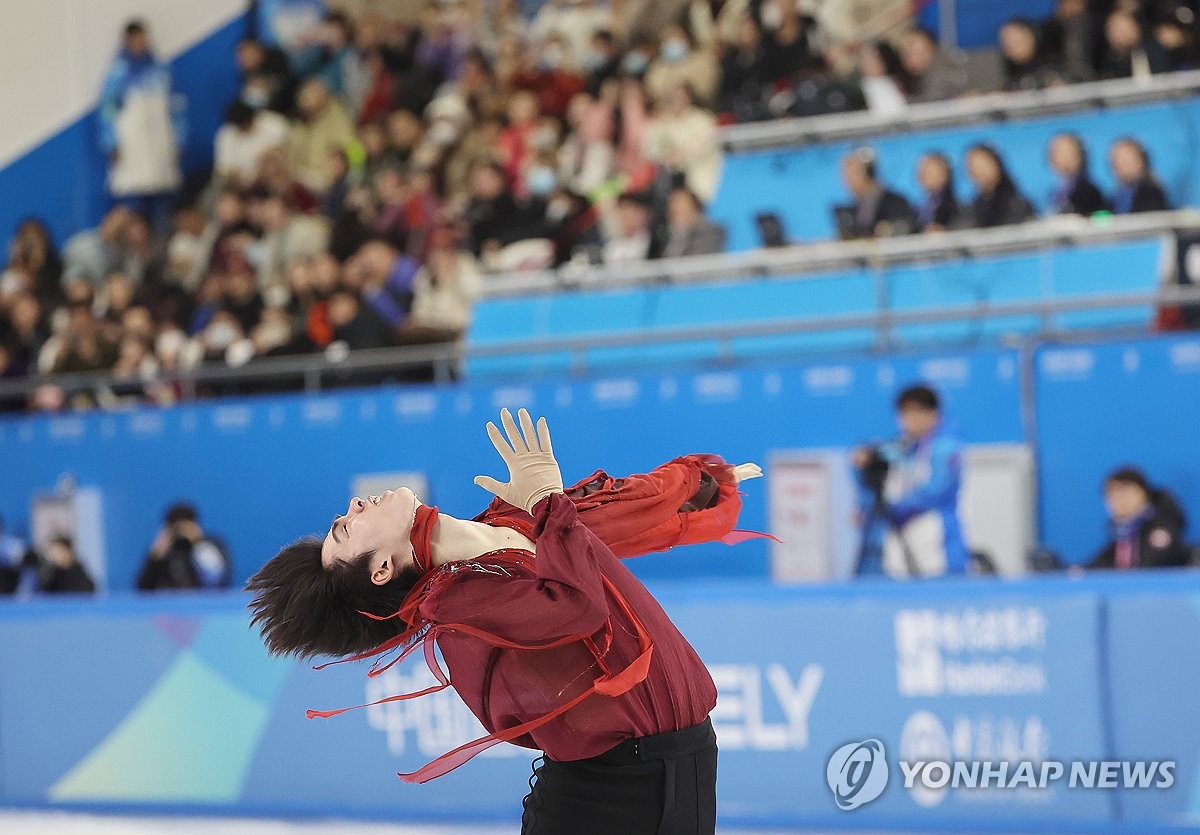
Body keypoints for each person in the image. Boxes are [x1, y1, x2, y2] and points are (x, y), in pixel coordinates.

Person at [247, 408, 766, 831]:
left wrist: (695, 483)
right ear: (381, 569)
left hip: (689, 763)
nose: (355, 505)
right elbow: (576, 606)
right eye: (345, 529)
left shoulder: (504, 522)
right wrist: (546, 500)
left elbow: (608, 511)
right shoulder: (455, 605)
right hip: (607, 799)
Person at [852, 384, 968, 577]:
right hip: (901, 551)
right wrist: (865, 458)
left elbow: (936, 490)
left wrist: (894, 509)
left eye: (916, 413)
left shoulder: (946, 448)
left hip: (939, 547)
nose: (909, 421)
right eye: (905, 414)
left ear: (933, 414)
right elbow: (869, 461)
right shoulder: (901, 446)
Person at [98, 20, 186, 232]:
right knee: (133, 210)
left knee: (163, 205)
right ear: (127, 41)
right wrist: (110, 143)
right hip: (132, 148)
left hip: (160, 146)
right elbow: (107, 109)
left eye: (143, 38)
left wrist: (180, 138)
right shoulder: (118, 73)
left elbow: (176, 106)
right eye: (135, 39)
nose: (140, 42)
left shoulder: (161, 70)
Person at [1089, 467, 1191, 570]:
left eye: (1124, 492)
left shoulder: (1161, 527)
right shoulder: (1121, 536)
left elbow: (1150, 566)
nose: (1118, 500)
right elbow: (1101, 564)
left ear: (1143, 493)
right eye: (1111, 495)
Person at [137, 502, 232, 591]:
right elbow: (143, 588)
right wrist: (155, 558)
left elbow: (219, 580)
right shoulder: (163, 550)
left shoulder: (211, 544)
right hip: (171, 605)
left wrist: (198, 543)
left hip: (204, 603)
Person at [834, 147, 917, 239]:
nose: (846, 180)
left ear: (868, 171)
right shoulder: (849, 213)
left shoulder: (896, 204)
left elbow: (905, 230)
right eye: (845, 174)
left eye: (852, 173)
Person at [963, 144, 1035, 228]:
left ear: (997, 164)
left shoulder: (1017, 205)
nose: (977, 170)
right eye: (971, 166)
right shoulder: (969, 210)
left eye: (982, 164)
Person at [1047, 133, 1108, 216]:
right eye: (1059, 153)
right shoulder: (1054, 194)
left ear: (1081, 157)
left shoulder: (1090, 193)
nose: (1064, 159)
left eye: (1069, 153)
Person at [1108, 138, 1170, 214]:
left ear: (1141, 160)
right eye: (1115, 160)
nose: (1118, 165)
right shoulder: (1115, 198)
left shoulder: (1153, 194)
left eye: (1125, 160)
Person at [661, 187, 727, 259]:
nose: (676, 211)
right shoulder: (669, 233)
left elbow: (697, 261)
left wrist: (681, 233)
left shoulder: (710, 231)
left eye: (681, 206)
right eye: (673, 208)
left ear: (694, 207)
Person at [914, 151, 960, 232]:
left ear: (946, 173)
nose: (923, 175)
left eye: (931, 171)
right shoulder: (920, 207)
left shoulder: (956, 206)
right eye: (922, 171)